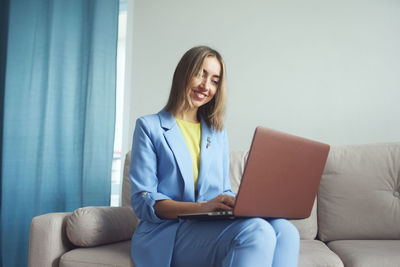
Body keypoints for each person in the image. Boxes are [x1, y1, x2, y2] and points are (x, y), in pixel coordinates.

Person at [129, 45, 300, 267]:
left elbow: (221, 190)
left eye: (215, 80)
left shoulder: (216, 132)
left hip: (209, 225)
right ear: (184, 73)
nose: (206, 86)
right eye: (200, 74)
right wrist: (202, 208)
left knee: (286, 231)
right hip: (168, 233)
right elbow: (144, 202)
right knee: (256, 232)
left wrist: (239, 202)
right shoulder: (149, 127)